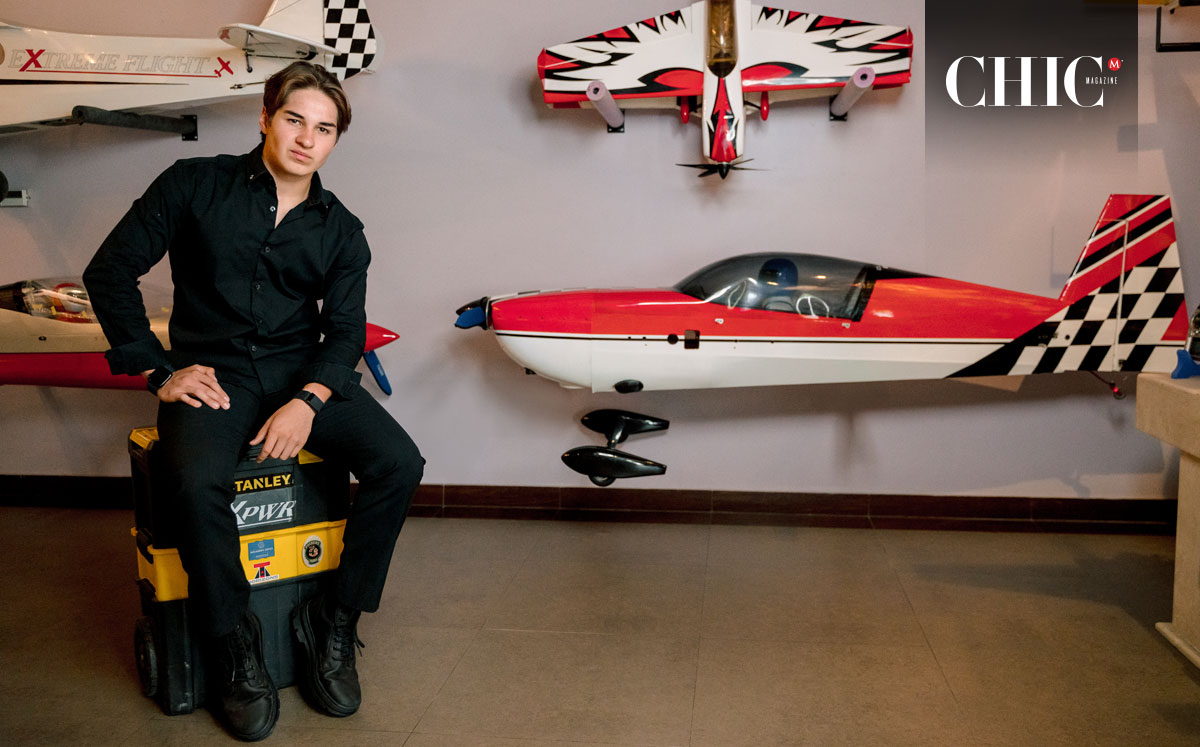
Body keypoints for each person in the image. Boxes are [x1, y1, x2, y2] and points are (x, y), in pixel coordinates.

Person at [83, 61, 424, 741]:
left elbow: (345, 331)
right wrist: (158, 371)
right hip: (213, 374)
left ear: (334, 142)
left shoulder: (341, 228)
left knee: (399, 462)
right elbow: (110, 270)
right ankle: (234, 644)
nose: (307, 139)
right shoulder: (193, 185)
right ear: (265, 118)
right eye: (295, 119)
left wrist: (308, 399)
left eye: (324, 129)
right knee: (194, 478)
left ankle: (332, 622)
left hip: (303, 373)